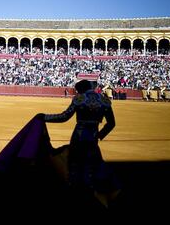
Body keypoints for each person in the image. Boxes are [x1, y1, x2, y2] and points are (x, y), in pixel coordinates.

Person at [36, 79, 119, 208]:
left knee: (74, 163)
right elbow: (111, 123)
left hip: (78, 136)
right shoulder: (104, 100)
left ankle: (74, 192)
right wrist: (99, 135)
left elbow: (64, 117)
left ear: (80, 89)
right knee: (94, 163)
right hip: (92, 137)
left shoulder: (79, 99)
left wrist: (45, 117)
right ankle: (94, 191)